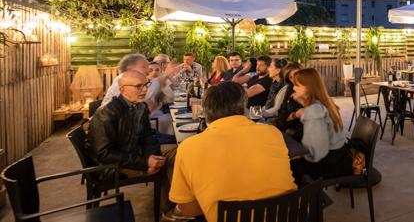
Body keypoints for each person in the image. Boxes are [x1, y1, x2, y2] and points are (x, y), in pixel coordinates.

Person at [169, 82, 296, 221]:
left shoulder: (188, 147)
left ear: (205, 111)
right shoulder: (272, 133)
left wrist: (209, 202)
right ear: (244, 106)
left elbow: (187, 209)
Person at [88, 70, 177, 217]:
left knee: (179, 152)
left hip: (135, 153)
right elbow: (104, 154)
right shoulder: (107, 113)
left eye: (146, 85)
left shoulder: (140, 106)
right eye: (138, 86)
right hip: (113, 167)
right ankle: (168, 212)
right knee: (169, 163)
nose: (145, 90)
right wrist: (144, 163)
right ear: (123, 89)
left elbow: (148, 137)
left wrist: (152, 157)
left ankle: (179, 204)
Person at [289, 68, 352, 183]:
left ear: (309, 88)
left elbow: (316, 153)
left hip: (332, 164)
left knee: (289, 168)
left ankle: (312, 199)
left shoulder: (314, 109)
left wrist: (298, 155)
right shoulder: (325, 102)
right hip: (341, 156)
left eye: (297, 85)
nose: (293, 88)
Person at [275, 62, 304, 141]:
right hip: (287, 131)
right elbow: (282, 109)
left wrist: (293, 133)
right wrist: (281, 128)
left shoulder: (310, 90)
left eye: (296, 75)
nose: (294, 79)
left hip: (301, 137)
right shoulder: (290, 89)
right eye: (291, 77)